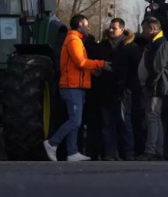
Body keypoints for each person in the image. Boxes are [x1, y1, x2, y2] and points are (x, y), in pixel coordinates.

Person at [44, 15, 112, 162]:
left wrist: (94, 71)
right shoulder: (74, 40)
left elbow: (78, 66)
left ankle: (72, 152)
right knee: (75, 121)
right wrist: (100, 64)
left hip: (77, 86)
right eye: (87, 24)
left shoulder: (77, 40)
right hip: (71, 87)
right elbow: (81, 62)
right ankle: (51, 143)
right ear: (80, 24)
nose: (88, 27)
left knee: (75, 120)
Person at [95, 18, 142, 161]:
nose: (111, 30)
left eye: (114, 28)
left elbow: (136, 70)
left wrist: (128, 87)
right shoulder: (103, 46)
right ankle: (110, 153)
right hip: (105, 90)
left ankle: (128, 152)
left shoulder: (131, 47)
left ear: (122, 29)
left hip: (123, 90)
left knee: (124, 122)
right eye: (110, 27)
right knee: (107, 123)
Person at [137, 16, 168, 161]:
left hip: (155, 86)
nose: (143, 32)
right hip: (155, 85)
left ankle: (151, 151)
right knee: (155, 117)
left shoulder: (160, 43)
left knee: (152, 117)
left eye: (144, 29)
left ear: (152, 29)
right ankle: (158, 150)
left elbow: (157, 68)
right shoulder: (156, 42)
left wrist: (149, 85)